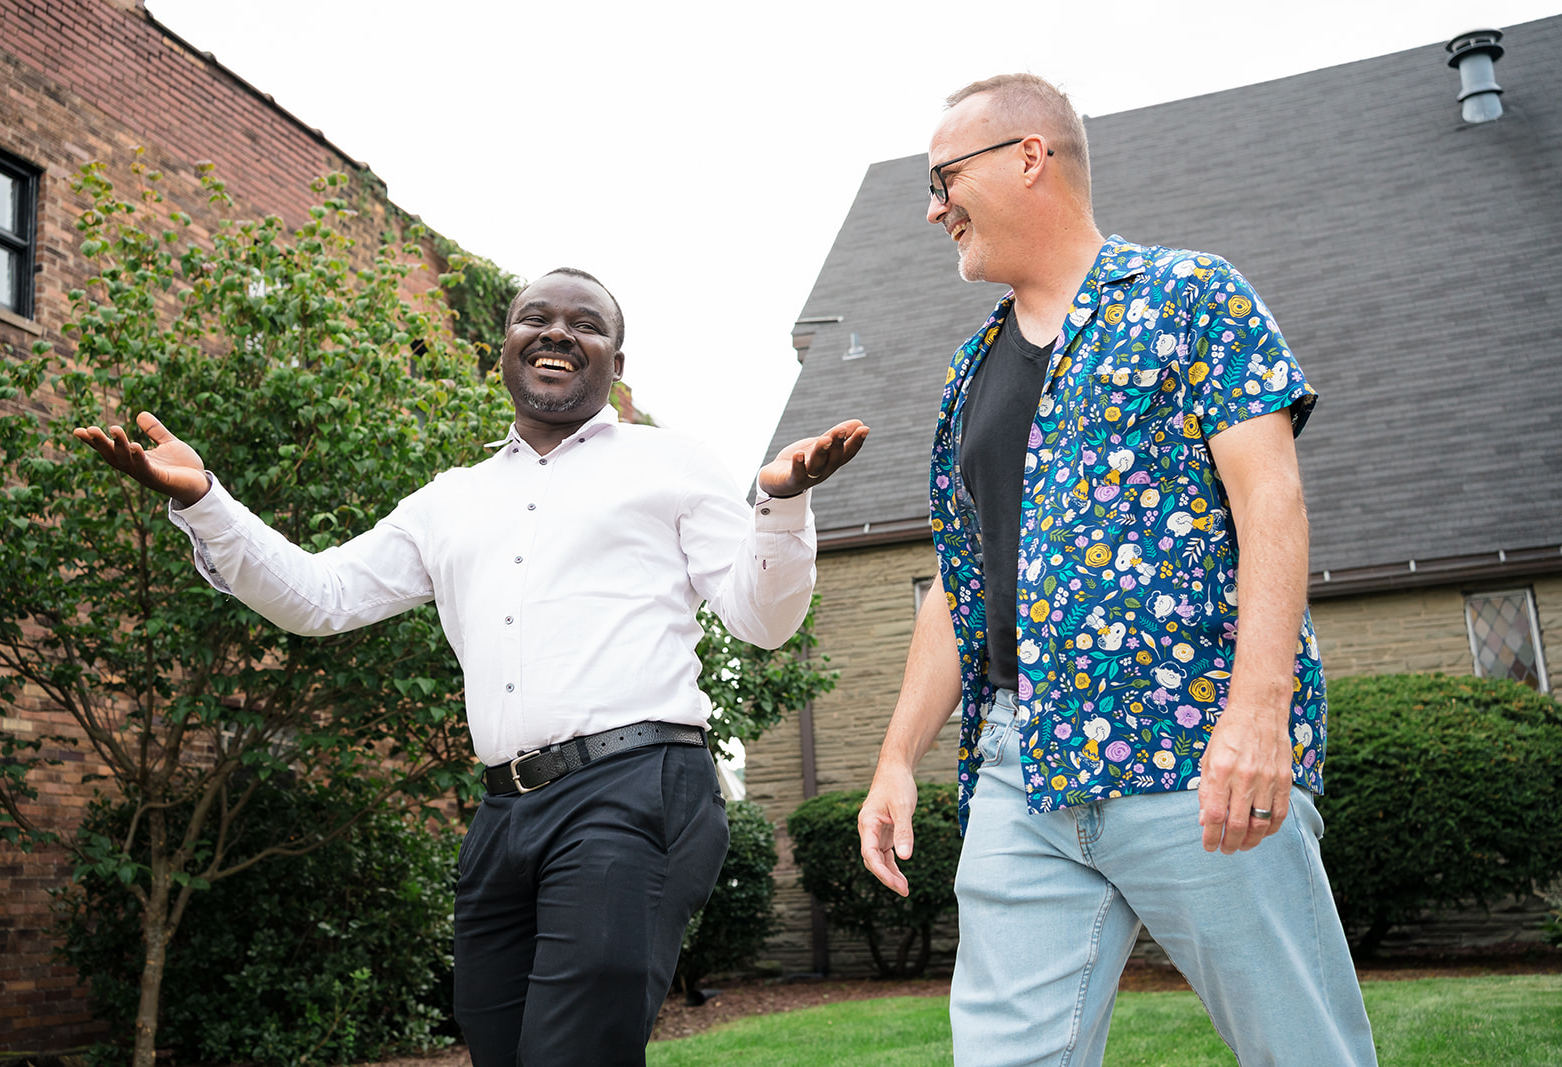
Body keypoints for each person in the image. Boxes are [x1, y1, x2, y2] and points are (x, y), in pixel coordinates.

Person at [75, 267, 868, 1067]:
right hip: (503, 813)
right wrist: (207, 500)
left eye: (586, 323)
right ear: (506, 347)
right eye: (537, 317)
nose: (558, 332)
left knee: (571, 1053)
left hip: (634, 789)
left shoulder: (672, 466)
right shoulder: (448, 501)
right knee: (500, 1045)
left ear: (617, 364)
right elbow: (321, 596)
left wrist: (782, 502)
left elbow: (762, 622)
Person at [855, 75, 1376, 1065]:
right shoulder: (970, 373)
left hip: (1192, 753)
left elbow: (1272, 499)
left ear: (1027, 157)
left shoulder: (1192, 297)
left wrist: (1259, 710)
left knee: (1301, 1047)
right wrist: (893, 757)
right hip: (1021, 770)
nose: (933, 207)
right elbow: (962, 582)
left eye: (942, 177)